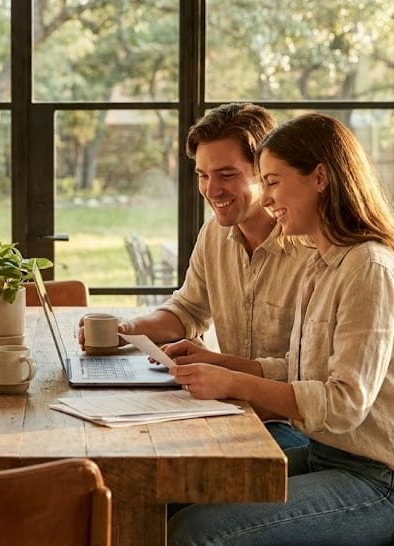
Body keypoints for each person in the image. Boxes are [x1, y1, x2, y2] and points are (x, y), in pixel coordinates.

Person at [165, 112, 394, 546]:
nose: (267, 198)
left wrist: (234, 381)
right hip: (326, 456)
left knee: (195, 533)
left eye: (273, 182)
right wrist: (221, 366)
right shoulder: (322, 262)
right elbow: (300, 367)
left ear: (320, 178)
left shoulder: (369, 269)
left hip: (382, 481)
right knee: (168, 495)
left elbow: (344, 403)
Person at [79, 103, 312, 448]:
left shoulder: (312, 249)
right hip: (231, 407)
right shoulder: (214, 234)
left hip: (291, 425)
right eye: (203, 175)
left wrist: (220, 368)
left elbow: (312, 374)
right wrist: (126, 330)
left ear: (265, 172)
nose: (211, 190)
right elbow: (188, 311)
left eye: (227, 175)